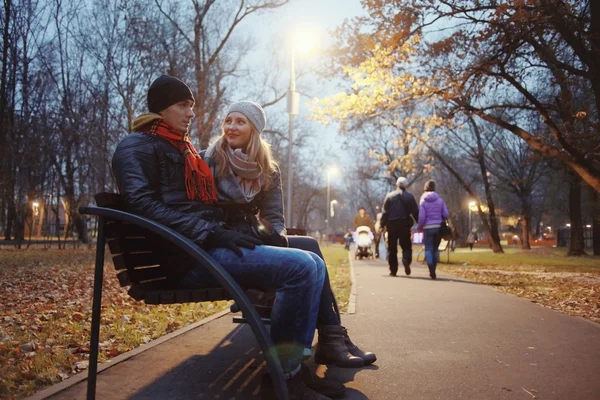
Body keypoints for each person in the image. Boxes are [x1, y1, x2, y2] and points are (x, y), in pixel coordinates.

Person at [111, 76, 328, 399]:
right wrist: (211, 231)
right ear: (162, 108)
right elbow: (142, 205)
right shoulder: (137, 146)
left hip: (200, 247)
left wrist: (226, 230)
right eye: (183, 105)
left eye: (191, 106)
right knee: (300, 267)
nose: (190, 113)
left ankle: (295, 366)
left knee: (312, 261)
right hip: (186, 257)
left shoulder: (177, 145)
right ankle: (284, 376)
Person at [202, 101, 376, 382]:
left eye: (240, 121)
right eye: (228, 120)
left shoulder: (266, 168)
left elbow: (273, 216)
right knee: (304, 259)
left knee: (309, 246)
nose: (231, 126)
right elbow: (199, 209)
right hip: (226, 241)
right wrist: (226, 231)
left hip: (251, 236)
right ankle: (324, 343)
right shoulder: (208, 160)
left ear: (254, 129)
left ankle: (332, 337)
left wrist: (272, 234)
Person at [380, 177, 419, 276]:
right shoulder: (409, 197)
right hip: (404, 224)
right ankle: (406, 259)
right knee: (406, 245)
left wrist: (382, 224)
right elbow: (415, 211)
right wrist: (420, 222)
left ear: (397, 185)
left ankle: (393, 270)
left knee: (392, 248)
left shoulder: (389, 196)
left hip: (391, 224)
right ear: (405, 185)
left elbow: (385, 212)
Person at [416, 180, 450, 280]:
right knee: (435, 249)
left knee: (428, 248)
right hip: (438, 227)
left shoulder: (423, 201)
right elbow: (446, 214)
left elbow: (421, 217)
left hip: (427, 228)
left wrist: (419, 227)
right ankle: (434, 268)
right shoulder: (440, 200)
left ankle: (430, 268)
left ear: (425, 188)